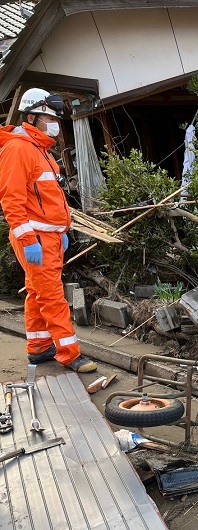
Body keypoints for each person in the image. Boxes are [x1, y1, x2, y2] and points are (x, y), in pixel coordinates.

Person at [0, 88, 97, 373]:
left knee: (36, 292)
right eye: (48, 117)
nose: (53, 123)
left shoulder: (40, 150)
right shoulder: (18, 149)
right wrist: (28, 238)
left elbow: (46, 199)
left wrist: (60, 231)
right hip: (36, 238)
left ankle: (39, 348)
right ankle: (69, 354)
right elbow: (11, 199)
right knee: (52, 296)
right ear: (31, 117)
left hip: (49, 236)